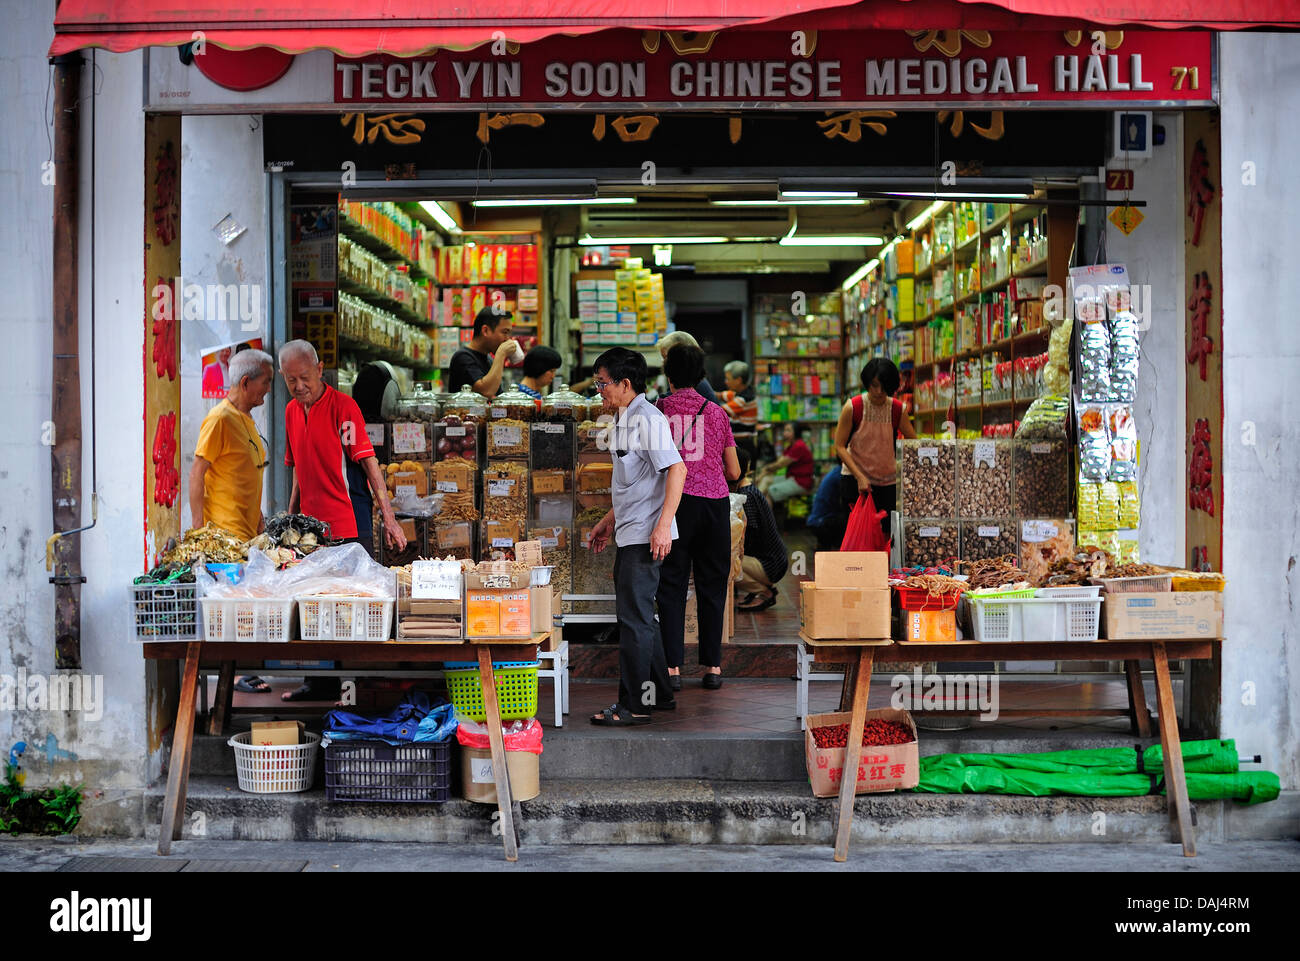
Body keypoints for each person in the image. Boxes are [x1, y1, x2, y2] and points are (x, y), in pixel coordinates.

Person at [278, 340, 407, 701]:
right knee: (313, 606)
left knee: (354, 607)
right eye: (291, 380)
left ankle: (356, 685)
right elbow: (298, 472)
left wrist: (390, 519)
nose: (299, 386)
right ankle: (319, 682)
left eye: (305, 377)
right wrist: (290, 520)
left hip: (349, 523)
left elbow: (369, 465)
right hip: (309, 532)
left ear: (320, 371)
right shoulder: (290, 412)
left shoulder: (343, 408)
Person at [586, 347, 687, 725]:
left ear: (625, 384)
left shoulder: (648, 419)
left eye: (603, 383)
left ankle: (634, 705)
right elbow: (636, 482)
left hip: (645, 536)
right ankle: (659, 693)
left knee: (633, 621)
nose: (600, 390)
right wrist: (609, 519)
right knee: (644, 618)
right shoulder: (625, 419)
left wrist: (663, 525)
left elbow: (676, 471)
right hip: (630, 530)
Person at [189, 348, 275, 696]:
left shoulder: (247, 420)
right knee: (231, 612)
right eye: (265, 383)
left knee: (244, 607)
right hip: (223, 536)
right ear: (245, 382)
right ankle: (234, 675)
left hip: (245, 534)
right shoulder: (219, 419)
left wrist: (259, 520)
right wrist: (199, 533)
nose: (267, 390)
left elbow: (249, 474)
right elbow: (197, 475)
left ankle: (240, 669)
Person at [654, 344, 740, 690]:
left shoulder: (657, 410)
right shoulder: (718, 413)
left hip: (675, 507)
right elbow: (733, 471)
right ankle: (712, 668)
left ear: (668, 375)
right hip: (714, 507)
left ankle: (672, 669)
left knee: (671, 585)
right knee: (712, 585)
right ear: (702, 375)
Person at [834, 357, 917, 542]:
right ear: (867, 383)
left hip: (887, 483)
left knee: (887, 538)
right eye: (874, 385)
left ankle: (885, 572)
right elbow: (839, 446)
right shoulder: (853, 407)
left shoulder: (897, 409)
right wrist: (859, 476)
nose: (879, 392)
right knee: (858, 536)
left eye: (884, 387)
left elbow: (913, 443)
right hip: (855, 481)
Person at [732, 448, 789, 612]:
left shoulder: (746, 496)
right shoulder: (749, 490)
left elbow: (750, 534)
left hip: (770, 564)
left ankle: (763, 592)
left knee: (724, 565)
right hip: (773, 560)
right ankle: (759, 589)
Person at [447, 307, 518, 398]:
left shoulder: (489, 359)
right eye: (505, 332)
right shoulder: (463, 357)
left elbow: (497, 397)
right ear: (485, 331)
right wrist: (501, 353)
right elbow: (486, 391)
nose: (508, 339)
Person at [755, 423, 815, 507]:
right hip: (792, 478)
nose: (784, 433)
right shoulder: (791, 446)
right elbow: (778, 463)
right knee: (766, 480)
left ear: (796, 432)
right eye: (785, 430)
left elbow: (779, 465)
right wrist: (762, 475)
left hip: (801, 482)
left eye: (788, 430)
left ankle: (765, 518)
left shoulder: (799, 446)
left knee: (769, 492)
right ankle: (755, 504)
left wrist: (761, 474)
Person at [655, 330, 718, 403]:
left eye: (666, 358)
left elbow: (665, 403)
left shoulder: (689, 383)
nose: (663, 363)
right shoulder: (691, 379)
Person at [717, 360, 758, 460]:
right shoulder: (739, 393)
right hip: (740, 444)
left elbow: (719, 412)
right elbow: (719, 395)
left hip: (743, 446)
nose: (725, 382)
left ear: (738, 380)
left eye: (728, 379)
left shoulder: (743, 399)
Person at [806, 463, 850, 551]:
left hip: (817, 521)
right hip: (821, 523)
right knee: (851, 519)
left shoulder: (837, 471)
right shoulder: (842, 474)